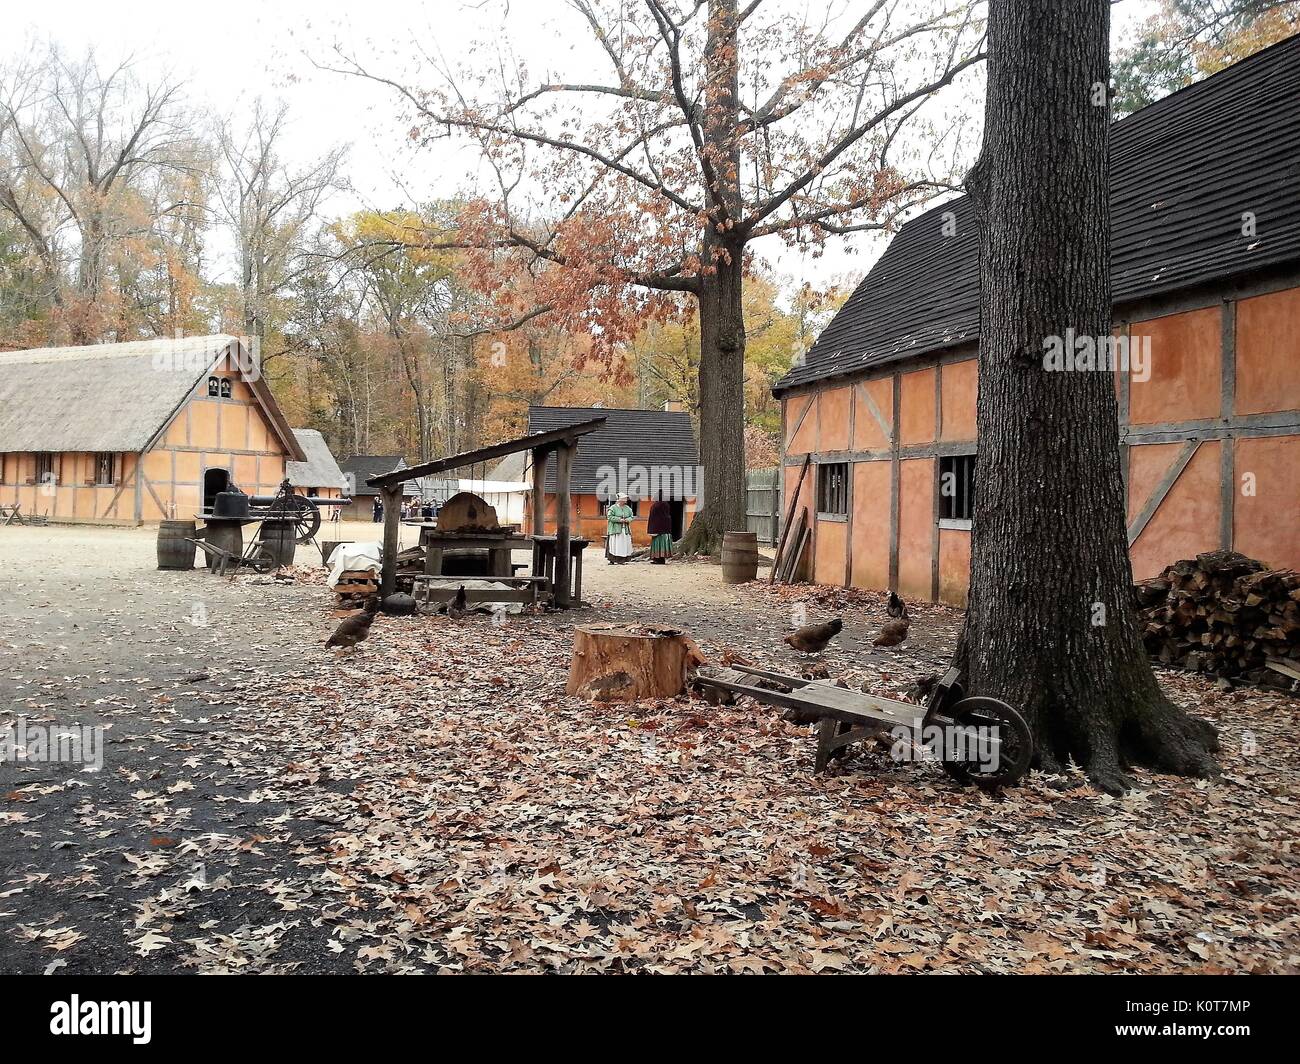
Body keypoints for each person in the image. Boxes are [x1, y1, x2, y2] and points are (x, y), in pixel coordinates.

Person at [605, 493, 634, 564]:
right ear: (619, 500)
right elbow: (609, 517)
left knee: (624, 544)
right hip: (615, 530)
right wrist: (619, 520)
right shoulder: (613, 508)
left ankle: (622, 560)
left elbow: (631, 516)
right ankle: (612, 559)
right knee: (615, 544)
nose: (625, 501)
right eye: (623, 499)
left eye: (625, 499)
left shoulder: (628, 508)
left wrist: (628, 519)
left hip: (625, 529)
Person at [647, 495, 673, 564]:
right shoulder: (666, 504)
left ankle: (658, 559)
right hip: (666, 527)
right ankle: (661, 559)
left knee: (658, 543)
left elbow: (653, 517)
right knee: (663, 544)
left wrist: (651, 529)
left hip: (657, 527)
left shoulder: (656, 505)